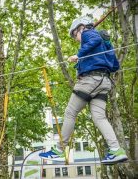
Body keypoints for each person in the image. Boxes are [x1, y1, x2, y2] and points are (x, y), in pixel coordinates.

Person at [39, 17, 128, 164]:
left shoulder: (87, 32)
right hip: (104, 82)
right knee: (99, 117)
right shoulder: (102, 43)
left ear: (78, 30)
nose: (77, 40)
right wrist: (108, 44)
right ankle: (116, 149)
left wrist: (78, 55)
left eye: (75, 36)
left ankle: (59, 150)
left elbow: (93, 40)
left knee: (70, 112)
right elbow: (115, 66)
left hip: (89, 81)